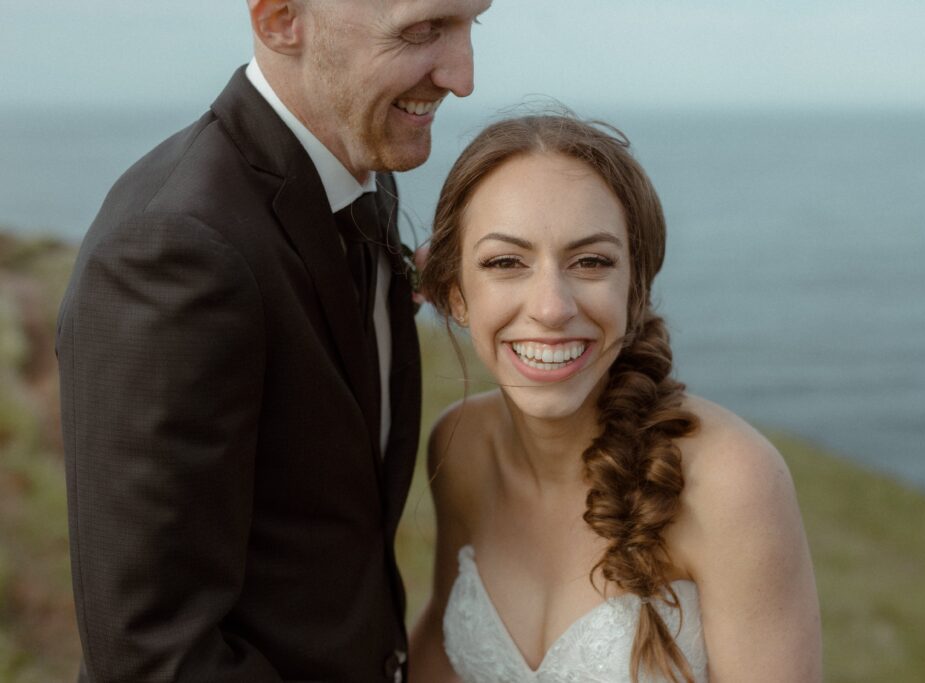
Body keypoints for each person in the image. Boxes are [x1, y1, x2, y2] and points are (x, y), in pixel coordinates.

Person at [55, 0, 490, 680]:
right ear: (281, 19)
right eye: (423, 30)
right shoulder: (173, 250)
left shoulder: (357, 176)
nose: (463, 77)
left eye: (473, 25)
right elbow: (154, 656)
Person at [408, 115, 822, 682]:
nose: (551, 307)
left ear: (635, 291)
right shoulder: (457, 448)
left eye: (591, 262)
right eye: (506, 263)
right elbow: (442, 654)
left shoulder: (733, 482)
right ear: (456, 296)